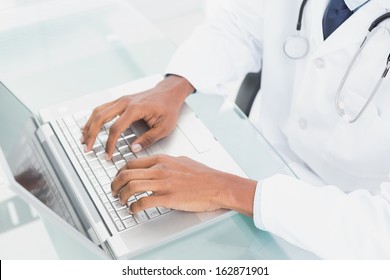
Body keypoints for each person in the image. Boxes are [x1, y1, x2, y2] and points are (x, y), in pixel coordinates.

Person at [81, 0, 390, 259]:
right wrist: (176, 84)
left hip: (338, 233)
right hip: (257, 158)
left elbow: (381, 232)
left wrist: (226, 189)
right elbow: (239, 26)